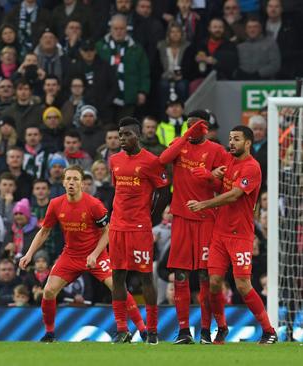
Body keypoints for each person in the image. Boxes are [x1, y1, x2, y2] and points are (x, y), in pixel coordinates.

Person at [19, 165, 147, 343]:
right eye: (69, 179)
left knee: (118, 288)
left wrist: (95, 254)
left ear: (82, 184)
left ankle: (142, 329)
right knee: (48, 291)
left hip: (97, 255)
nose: (72, 182)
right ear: (63, 182)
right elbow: (44, 232)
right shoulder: (56, 204)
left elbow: (107, 232)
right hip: (70, 255)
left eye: (76, 179)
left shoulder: (94, 204)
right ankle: (49, 334)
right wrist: (29, 254)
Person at [187, 126, 277, 345]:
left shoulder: (252, 167)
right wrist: (209, 176)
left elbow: (235, 195)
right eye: (230, 138)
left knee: (243, 284)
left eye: (236, 139)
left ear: (248, 143)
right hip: (219, 233)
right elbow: (221, 184)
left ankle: (269, 331)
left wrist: (203, 204)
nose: (232, 142)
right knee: (214, 282)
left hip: (240, 235)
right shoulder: (227, 160)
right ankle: (222, 327)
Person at [158, 110, 228, 344]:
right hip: (181, 218)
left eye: (195, 126)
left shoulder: (217, 151)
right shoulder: (180, 146)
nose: (191, 130)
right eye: (188, 126)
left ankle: (206, 332)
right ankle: (184, 331)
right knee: (179, 274)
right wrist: (186, 134)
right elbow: (163, 159)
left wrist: (208, 176)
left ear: (205, 128)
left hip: (207, 218)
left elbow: (223, 185)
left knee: (205, 275)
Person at [108, 117, 170, 344]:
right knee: (117, 276)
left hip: (139, 228)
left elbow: (164, 192)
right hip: (117, 227)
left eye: (126, 135)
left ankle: (152, 331)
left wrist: (151, 218)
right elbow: (118, 192)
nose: (122, 139)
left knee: (145, 277)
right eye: (120, 134)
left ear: (138, 136)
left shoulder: (152, 162)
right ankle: (122, 329)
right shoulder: (114, 160)